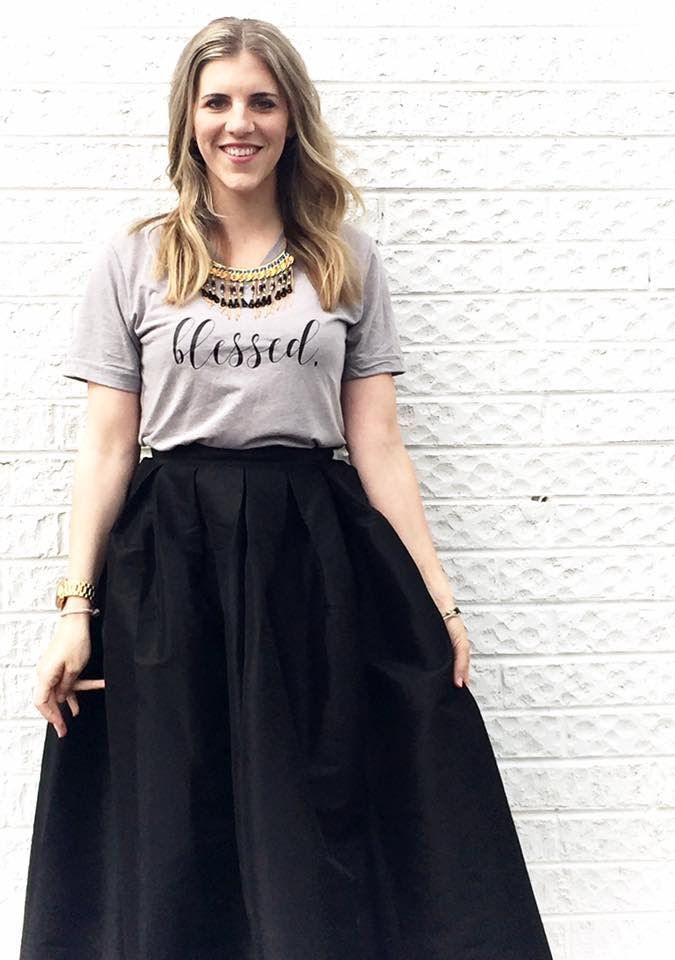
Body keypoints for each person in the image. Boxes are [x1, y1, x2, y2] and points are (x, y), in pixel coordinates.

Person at [19, 16, 554, 960]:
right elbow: (106, 448)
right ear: (189, 118)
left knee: (314, 807)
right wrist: (75, 606)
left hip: (311, 552)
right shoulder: (135, 259)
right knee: (178, 810)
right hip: (168, 560)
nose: (240, 123)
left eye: (261, 102)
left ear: (291, 119)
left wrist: (441, 598)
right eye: (217, 101)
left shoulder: (342, 259)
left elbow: (377, 443)